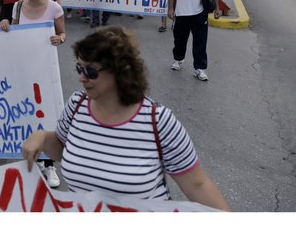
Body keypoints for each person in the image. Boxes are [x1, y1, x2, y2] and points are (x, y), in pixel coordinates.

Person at [22, 27, 231, 211]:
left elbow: (198, 185)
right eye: (79, 68)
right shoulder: (76, 105)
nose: (81, 77)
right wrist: (41, 137)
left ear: (120, 71)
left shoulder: (158, 121)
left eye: (91, 71)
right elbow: (61, 148)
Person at [7, 0, 65, 188]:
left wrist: (59, 38)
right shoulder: (18, 6)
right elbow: (13, 34)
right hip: (23, 68)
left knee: (46, 114)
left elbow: (63, 33)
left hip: (45, 70)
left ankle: (50, 165)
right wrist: (5, 26)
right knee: (27, 113)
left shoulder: (54, 8)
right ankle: (35, 158)